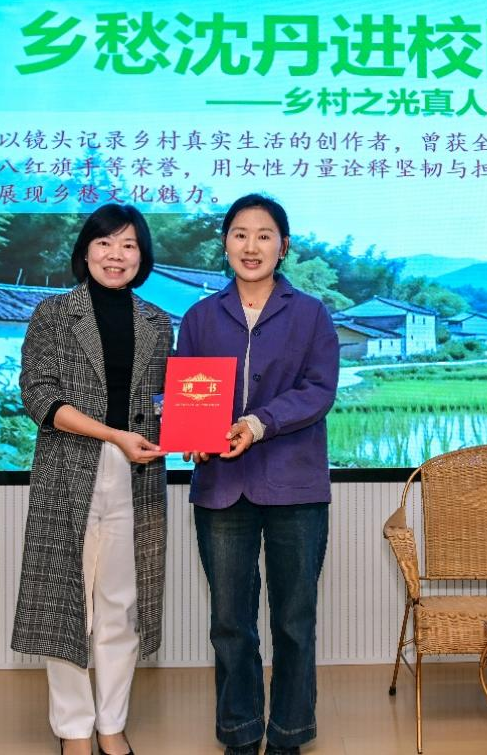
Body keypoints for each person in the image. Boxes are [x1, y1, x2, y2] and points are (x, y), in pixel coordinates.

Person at [176, 193, 340, 755]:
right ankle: (240, 734)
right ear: (225, 243)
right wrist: (194, 436)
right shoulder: (200, 317)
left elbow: (319, 391)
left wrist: (257, 423)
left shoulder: (312, 313)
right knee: (230, 623)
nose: (252, 246)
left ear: (283, 246)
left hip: (295, 485)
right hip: (222, 488)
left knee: (293, 620)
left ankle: (289, 735)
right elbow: (191, 393)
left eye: (264, 235)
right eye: (240, 234)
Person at [12, 204, 172, 755]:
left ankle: (111, 723)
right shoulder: (54, 314)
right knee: (66, 604)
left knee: (121, 608)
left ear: (142, 257)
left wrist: (190, 429)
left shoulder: (158, 322)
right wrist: (113, 435)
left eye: (129, 245)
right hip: (69, 473)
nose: (116, 255)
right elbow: (38, 396)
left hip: (138, 477)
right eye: (105, 243)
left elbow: (165, 401)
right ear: (85, 251)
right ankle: (74, 729)